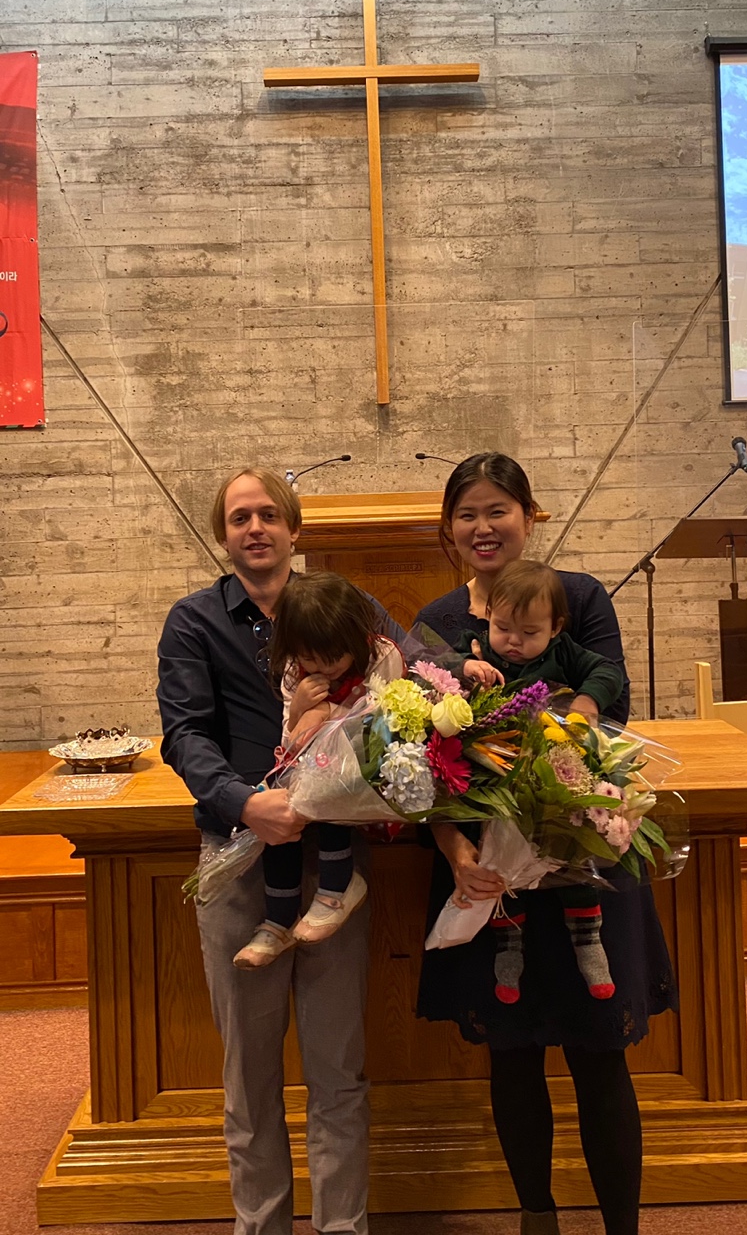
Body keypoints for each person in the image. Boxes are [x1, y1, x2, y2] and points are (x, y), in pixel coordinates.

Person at [414, 452, 677, 1235]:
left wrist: (561, 750)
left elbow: (610, 698)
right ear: (449, 529)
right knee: (512, 1050)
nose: (483, 526)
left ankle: (622, 1226)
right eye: (467, 513)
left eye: (498, 509)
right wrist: (458, 855)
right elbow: (424, 747)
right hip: (489, 871)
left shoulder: (578, 596)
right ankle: (538, 1216)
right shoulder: (436, 621)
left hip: (582, 854)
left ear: (529, 517)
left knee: (601, 1053)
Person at [157, 466, 404, 1235]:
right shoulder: (193, 622)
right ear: (224, 535)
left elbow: (417, 666)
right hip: (239, 863)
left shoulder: (345, 601)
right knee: (250, 1078)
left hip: (334, 874)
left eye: (268, 514)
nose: (255, 528)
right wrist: (245, 802)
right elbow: (184, 734)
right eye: (239, 518)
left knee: (338, 1071)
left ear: (295, 528)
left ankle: (342, 1228)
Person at [459, 558, 625, 1004]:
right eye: (503, 627)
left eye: (530, 632)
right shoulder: (478, 647)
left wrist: (587, 701)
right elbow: (437, 664)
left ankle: (588, 941)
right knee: (500, 864)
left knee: (573, 854)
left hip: (555, 772)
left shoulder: (565, 651)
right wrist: (464, 667)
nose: (513, 641)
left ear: (555, 628)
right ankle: (508, 947)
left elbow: (608, 671)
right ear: (488, 614)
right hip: (497, 777)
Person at [233, 570, 405, 969]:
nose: (323, 668)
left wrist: (326, 711)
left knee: (327, 790)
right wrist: (299, 709)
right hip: (313, 759)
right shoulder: (296, 669)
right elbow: (291, 736)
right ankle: (279, 919)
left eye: (333, 658)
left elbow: (384, 723)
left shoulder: (382, 656)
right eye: (310, 658)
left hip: (366, 766)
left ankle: (336, 887)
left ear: (354, 637)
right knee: (280, 811)